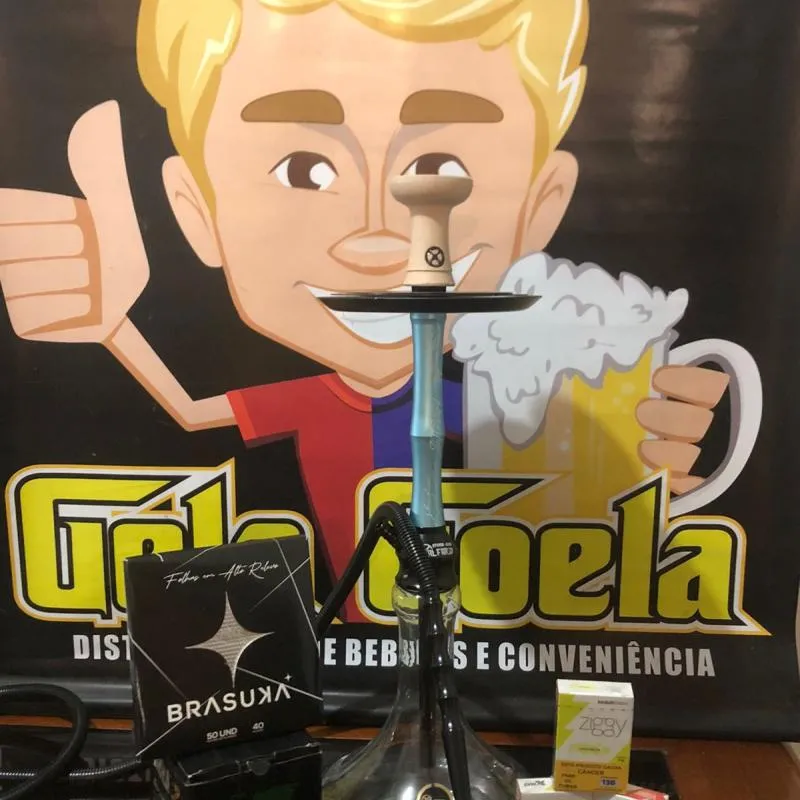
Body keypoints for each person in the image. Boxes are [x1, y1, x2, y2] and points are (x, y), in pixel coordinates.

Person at [0, 0, 739, 621]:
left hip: (486, 640)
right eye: (303, 169)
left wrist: (647, 461)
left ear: (542, 204)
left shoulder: (508, 402)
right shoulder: (308, 398)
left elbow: (578, 456)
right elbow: (192, 414)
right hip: (332, 653)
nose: (378, 232)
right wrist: (111, 328)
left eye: (441, 169)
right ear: (198, 212)